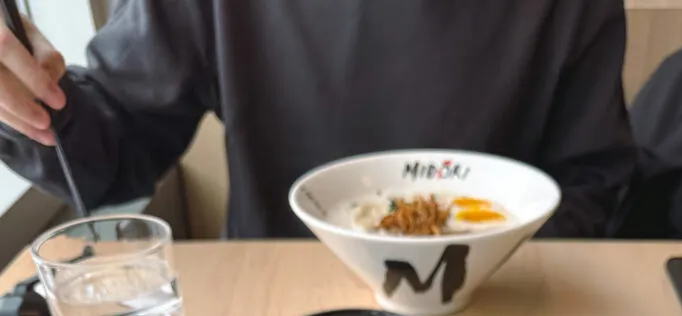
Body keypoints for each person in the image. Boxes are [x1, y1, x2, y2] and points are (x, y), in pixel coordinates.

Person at [0, 0, 635, 239]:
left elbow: (593, 180)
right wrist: (24, 89)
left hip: (506, 311)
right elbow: (112, 150)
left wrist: (489, 250)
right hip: (276, 315)